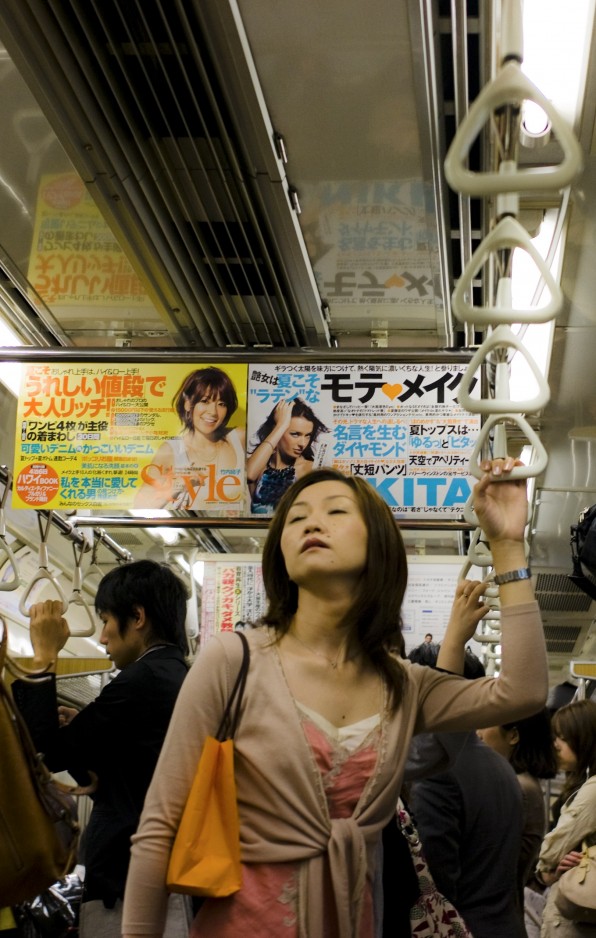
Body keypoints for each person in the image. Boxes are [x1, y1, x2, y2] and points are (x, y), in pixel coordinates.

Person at [122, 457, 548, 938]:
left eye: (336, 511)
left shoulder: (404, 685)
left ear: (377, 544)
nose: (312, 522)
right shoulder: (232, 661)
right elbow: (159, 828)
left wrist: (508, 546)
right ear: (280, 549)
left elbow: (525, 690)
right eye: (297, 516)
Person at [11, 560, 191, 938]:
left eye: (107, 620)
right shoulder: (176, 674)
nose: (104, 637)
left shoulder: (142, 680)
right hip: (162, 868)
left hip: (131, 876)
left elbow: (45, 754)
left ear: (137, 616)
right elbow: (119, 772)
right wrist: (83, 731)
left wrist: (44, 655)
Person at [407, 617, 526, 938]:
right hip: (505, 925)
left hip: (461, 929)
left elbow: (436, 877)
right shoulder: (501, 766)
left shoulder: (436, 771)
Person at [477, 708, 557, 918]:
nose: (478, 733)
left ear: (513, 736)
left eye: (486, 724)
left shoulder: (517, 788)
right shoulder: (522, 784)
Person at [134, 366, 246, 510]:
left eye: (221, 404)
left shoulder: (238, 437)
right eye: (205, 401)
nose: (213, 412)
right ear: (188, 404)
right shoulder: (171, 450)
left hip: (241, 531)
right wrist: (179, 484)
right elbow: (139, 507)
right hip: (193, 531)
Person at [535, 698, 596, 937]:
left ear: (585, 739)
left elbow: (550, 853)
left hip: (575, 923)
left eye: (562, 738)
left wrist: (546, 869)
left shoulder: (592, 790)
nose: (555, 746)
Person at [246, 397, 329, 514]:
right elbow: (249, 474)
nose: (303, 443)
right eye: (295, 434)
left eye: (307, 435)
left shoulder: (310, 470)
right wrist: (281, 425)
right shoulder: (258, 467)